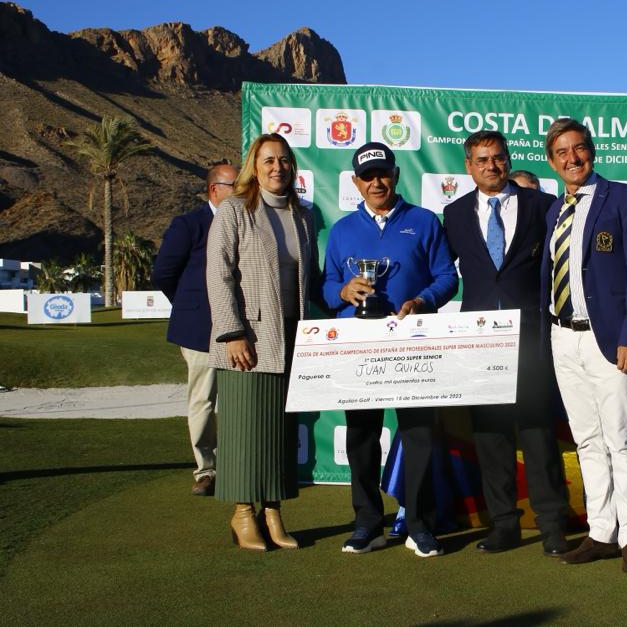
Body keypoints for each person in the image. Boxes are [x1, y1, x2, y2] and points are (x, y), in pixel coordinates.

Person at [322, 141, 458, 558]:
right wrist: (344, 289)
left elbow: (446, 277)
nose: (376, 182)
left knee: (418, 433)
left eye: (383, 174)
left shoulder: (423, 221)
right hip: (359, 348)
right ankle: (367, 523)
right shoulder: (342, 230)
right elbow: (326, 287)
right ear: (356, 183)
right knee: (361, 435)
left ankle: (418, 523)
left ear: (396, 176)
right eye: (368, 176)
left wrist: (422, 301)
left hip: (413, 342)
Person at [442, 131, 569, 557]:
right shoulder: (454, 213)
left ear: (508, 159)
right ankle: (504, 526)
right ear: (469, 166)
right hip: (478, 343)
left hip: (531, 337)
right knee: (491, 438)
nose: (491, 166)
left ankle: (553, 527)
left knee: (537, 435)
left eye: (497, 158)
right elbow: (444, 274)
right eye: (481, 160)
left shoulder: (542, 205)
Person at [539, 118, 627, 574]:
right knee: (587, 440)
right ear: (552, 162)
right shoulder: (554, 211)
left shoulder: (624, 198)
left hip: (610, 341)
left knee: (622, 440)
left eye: (579, 148)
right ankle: (601, 531)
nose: (572, 158)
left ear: (592, 150)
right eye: (562, 152)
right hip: (563, 338)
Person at [206, 133, 319, 551]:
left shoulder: (304, 216)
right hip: (248, 338)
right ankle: (242, 514)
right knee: (244, 430)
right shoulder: (234, 211)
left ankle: (273, 512)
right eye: (269, 160)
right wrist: (233, 332)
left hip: (292, 336)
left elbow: (308, 280)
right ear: (254, 165)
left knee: (280, 431)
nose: (278, 168)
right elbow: (219, 275)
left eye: (285, 160)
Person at [152, 160, 238, 497]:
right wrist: (190, 305)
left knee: (235, 400)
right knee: (203, 400)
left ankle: (236, 463)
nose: (242, 190)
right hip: (199, 328)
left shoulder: (244, 223)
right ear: (215, 189)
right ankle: (206, 470)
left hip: (237, 329)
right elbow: (163, 274)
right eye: (235, 185)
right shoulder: (189, 224)